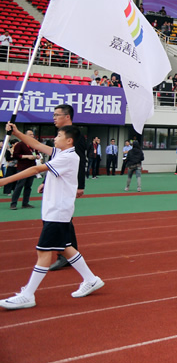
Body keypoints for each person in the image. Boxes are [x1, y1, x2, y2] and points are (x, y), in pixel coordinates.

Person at [0, 123, 104, 309]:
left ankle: (28, 294)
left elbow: (35, 170)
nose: (54, 138)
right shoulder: (62, 153)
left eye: (58, 136)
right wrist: (16, 132)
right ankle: (91, 279)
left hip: (57, 211)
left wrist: (5, 180)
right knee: (65, 247)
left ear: (69, 140)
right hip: (56, 210)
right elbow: (38, 145)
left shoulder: (69, 157)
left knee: (43, 252)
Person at [45, 104, 86, 272]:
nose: (54, 118)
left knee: (64, 220)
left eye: (57, 115)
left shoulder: (74, 136)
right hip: (57, 183)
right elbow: (55, 160)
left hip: (68, 186)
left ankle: (65, 255)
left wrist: (80, 185)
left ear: (67, 117)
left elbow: (81, 160)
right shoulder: (60, 136)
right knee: (64, 221)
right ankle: (67, 253)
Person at [10, 130, 39, 210]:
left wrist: (37, 156)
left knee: (28, 186)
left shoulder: (33, 144)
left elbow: (37, 153)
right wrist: (26, 156)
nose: (32, 136)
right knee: (19, 185)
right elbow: (15, 155)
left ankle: (25, 203)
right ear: (25, 135)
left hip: (32, 167)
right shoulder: (20, 144)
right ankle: (13, 203)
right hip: (22, 168)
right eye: (30, 134)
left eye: (33, 134)